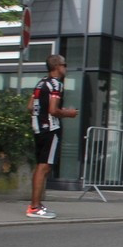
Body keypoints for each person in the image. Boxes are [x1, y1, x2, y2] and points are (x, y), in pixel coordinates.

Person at [27, 54, 79, 219]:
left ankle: (36, 205)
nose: (66, 68)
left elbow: (30, 106)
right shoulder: (56, 84)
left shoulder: (41, 83)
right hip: (51, 129)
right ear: (57, 66)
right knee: (44, 167)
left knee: (40, 167)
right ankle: (34, 207)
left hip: (38, 128)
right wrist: (69, 113)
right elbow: (53, 110)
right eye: (64, 64)